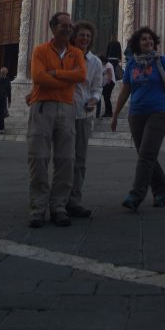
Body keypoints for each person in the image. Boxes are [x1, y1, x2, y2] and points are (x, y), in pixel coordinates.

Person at [111, 26, 165, 211]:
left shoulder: (163, 62)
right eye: (144, 39)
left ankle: (136, 195)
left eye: (150, 39)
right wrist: (115, 115)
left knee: (146, 155)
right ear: (137, 43)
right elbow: (125, 91)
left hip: (159, 112)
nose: (148, 42)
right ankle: (161, 191)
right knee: (146, 155)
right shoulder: (132, 65)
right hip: (136, 114)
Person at [25, 12, 86, 229]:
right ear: (53, 28)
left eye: (70, 25)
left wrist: (56, 75)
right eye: (64, 25)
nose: (68, 28)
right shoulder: (40, 50)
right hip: (42, 107)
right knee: (38, 158)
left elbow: (81, 76)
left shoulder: (76, 53)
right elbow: (38, 77)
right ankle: (38, 208)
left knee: (66, 160)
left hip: (67, 109)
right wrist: (66, 80)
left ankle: (59, 207)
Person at [66, 21, 103, 219]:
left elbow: (97, 88)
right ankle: (58, 199)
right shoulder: (66, 56)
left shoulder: (95, 62)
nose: (85, 38)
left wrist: (95, 100)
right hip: (63, 113)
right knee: (63, 158)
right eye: (81, 35)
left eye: (88, 36)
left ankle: (74, 200)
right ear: (74, 36)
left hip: (83, 115)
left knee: (79, 160)